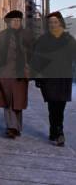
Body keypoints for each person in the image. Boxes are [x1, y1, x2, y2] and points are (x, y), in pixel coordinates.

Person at [30, 11, 76, 147]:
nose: (53, 24)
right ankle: (55, 131)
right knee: (52, 106)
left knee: (60, 106)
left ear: (60, 23)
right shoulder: (43, 40)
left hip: (63, 77)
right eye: (50, 22)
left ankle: (58, 131)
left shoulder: (69, 39)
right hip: (48, 78)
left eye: (55, 22)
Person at [0, 10, 32, 139]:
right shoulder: (1, 36)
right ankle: (11, 127)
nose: (17, 23)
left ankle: (16, 126)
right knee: (8, 101)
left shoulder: (26, 36)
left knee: (18, 101)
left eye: (18, 20)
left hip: (20, 73)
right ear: (8, 23)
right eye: (14, 21)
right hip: (4, 72)